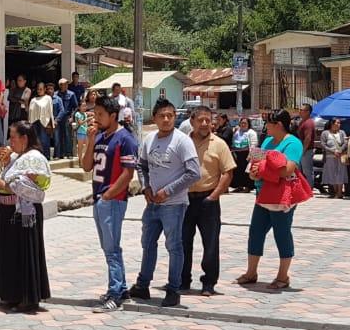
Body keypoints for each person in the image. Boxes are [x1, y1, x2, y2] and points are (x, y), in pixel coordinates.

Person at [129, 98, 201, 308]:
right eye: (162, 115)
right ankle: (143, 285)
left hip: (174, 204)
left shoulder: (182, 141)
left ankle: (173, 288)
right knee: (148, 243)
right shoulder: (149, 139)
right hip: (152, 204)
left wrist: (168, 191)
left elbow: (194, 173)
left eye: (170, 115)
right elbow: (141, 165)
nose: (167, 119)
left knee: (174, 246)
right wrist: (145, 187)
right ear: (155, 118)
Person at [236, 109, 305, 291]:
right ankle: (251, 272)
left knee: (281, 234)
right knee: (255, 232)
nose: (265, 127)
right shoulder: (267, 141)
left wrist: (263, 170)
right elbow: (255, 165)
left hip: (281, 197)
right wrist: (253, 172)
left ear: (279, 125)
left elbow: (288, 170)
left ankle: (283, 275)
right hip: (262, 194)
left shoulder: (293, 143)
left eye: (268, 123)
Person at [80, 95, 137, 313]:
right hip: (99, 198)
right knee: (108, 248)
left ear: (113, 116)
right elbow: (86, 166)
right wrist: (92, 140)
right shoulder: (102, 136)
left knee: (112, 249)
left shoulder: (125, 139)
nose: (97, 118)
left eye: (101, 115)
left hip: (112, 200)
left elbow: (128, 174)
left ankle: (115, 294)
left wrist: (108, 195)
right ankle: (120, 288)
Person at [0, 120, 51, 313]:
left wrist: (3, 185)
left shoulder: (34, 158)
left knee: (24, 253)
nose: (10, 141)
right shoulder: (19, 157)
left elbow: (29, 186)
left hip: (25, 212)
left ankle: (27, 297)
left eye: (13, 137)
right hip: (9, 212)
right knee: (9, 254)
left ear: (24, 138)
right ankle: (10, 294)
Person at [179, 106, 235, 297]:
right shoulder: (183, 142)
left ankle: (209, 283)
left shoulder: (219, 144)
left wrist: (214, 196)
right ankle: (182, 280)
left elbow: (228, 172)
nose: (204, 124)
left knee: (210, 243)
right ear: (192, 121)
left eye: (208, 120)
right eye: (200, 120)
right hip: (185, 200)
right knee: (183, 242)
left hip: (208, 199)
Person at [320, 116, 348, 200]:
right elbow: (323, 144)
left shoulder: (342, 132)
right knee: (332, 174)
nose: (339, 124)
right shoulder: (325, 133)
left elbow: (345, 142)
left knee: (340, 173)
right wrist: (333, 151)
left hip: (340, 156)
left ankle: (340, 192)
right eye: (337, 122)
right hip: (330, 156)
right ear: (332, 123)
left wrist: (340, 150)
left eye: (339, 123)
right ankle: (335, 191)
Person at [228, 116, 257, 193]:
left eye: (245, 123)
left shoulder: (251, 132)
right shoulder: (237, 132)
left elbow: (253, 144)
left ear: (248, 124)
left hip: (247, 154)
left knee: (246, 171)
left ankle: (248, 187)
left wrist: (250, 155)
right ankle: (239, 186)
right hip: (237, 154)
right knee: (238, 171)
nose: (243, 124)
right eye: (242, 123)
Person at [28, 82, 55, 158]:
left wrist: (51, 124)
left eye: (41, 89)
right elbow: (30, 113)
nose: (39, 91)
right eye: (38, 89)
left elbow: (50, 111)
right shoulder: (33, 100)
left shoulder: (48, 98)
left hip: (44, 122)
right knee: (36, 141)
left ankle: (46, 156)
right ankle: (37, 157)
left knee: (44, 140)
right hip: (35, 122)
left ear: (45, 89)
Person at [53, 79, 77, 159]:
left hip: (67, 117)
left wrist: (72, 117)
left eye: (67, 84)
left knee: (67, 135)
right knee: (57, 136)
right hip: (58, 117)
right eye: (64, 84)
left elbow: (76, 107)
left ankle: (69, 153)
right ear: (60, 85)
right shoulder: (55, 94)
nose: (66, 85)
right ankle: (58, 154)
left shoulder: (71, 94)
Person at [296, 103, 317, 185]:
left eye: (302, 110)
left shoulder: (308, 123)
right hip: (302, 150)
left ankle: (309, 188)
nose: (299, 111)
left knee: (307, 171)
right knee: (300, 171)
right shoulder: (302, 122)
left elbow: (308, 138)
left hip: (306, 150)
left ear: (308, 112)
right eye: (299, 110)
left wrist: (303, 150)